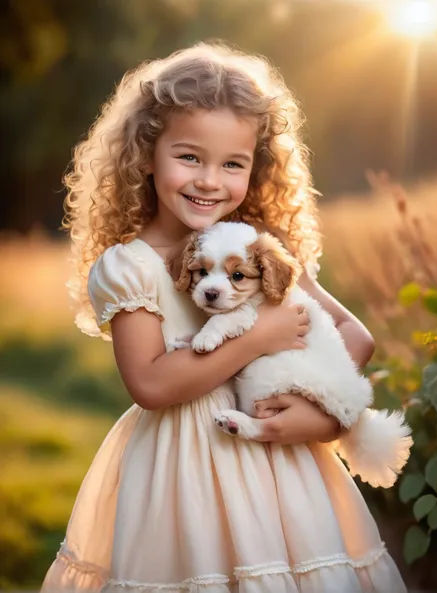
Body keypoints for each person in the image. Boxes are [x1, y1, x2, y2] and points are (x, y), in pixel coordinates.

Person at [41, 42, 406, 592]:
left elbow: (354, 336)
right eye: (189, 157)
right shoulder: (129, 268)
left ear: (254, 168)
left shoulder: (259, 248)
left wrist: (318, 413)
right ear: (145, 155)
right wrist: (259, 336)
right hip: (182, 469)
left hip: (280, 463)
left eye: (232, 164)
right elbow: (152, 383)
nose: (210, 180)